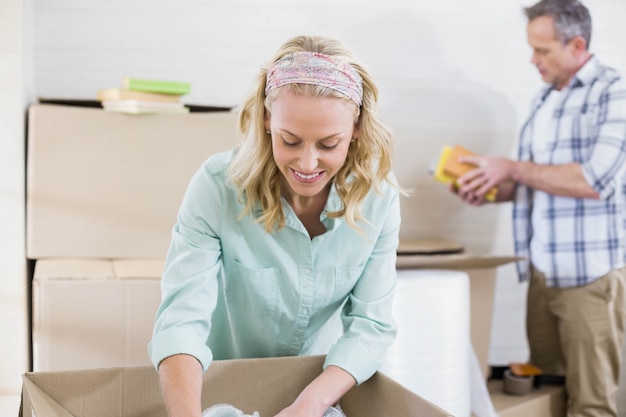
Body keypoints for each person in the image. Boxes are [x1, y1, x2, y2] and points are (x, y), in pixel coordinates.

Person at [148, 35, 403, 417]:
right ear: (268, 121)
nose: (307, 163)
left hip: (321, 384)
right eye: (291, 140)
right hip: (218, 385)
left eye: (329, 144)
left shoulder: (378, 198)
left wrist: (310, 404)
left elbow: (371, 323)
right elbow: (181, 318)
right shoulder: (218, 186)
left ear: (357, 128)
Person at [452, 0, 626, 415]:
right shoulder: (544, 100)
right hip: (542, 272)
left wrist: (508, 166)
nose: (533, 59)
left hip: (589, 274)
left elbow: (593, 180)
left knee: (591, 404)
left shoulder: (613, 92)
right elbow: (537, 181)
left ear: (577, 44)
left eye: (542, 50)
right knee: (547, 393)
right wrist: (493, 186)